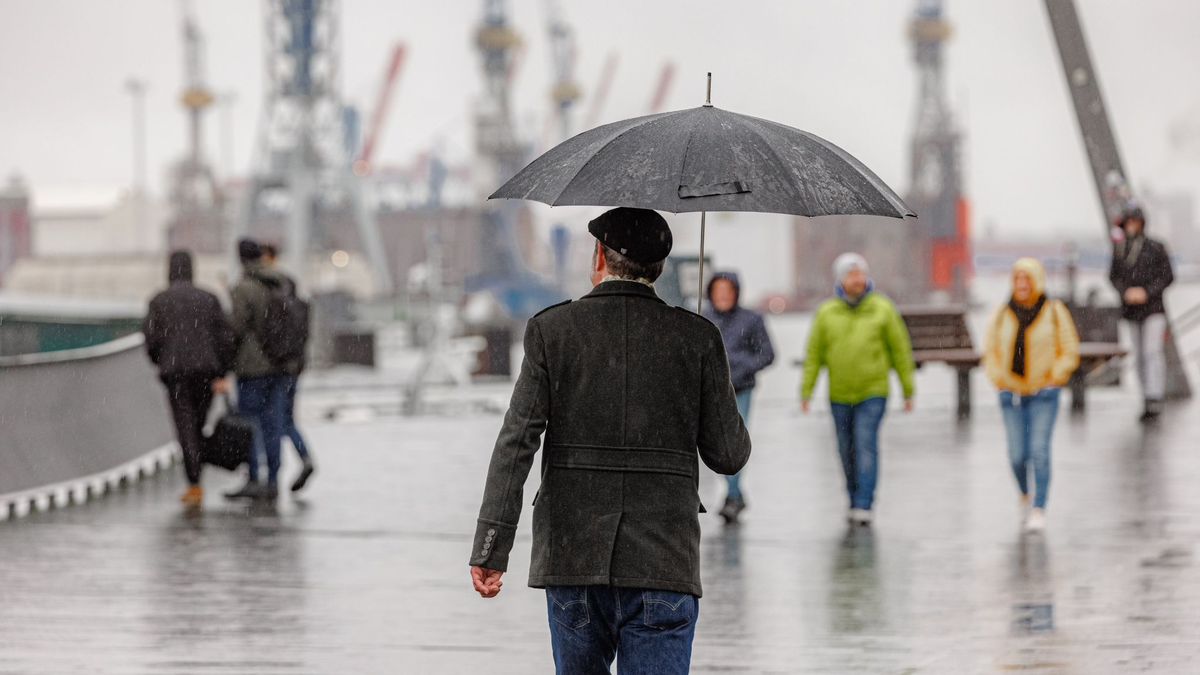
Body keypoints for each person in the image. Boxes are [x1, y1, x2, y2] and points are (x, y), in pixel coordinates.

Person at [468, 207, 751, 675]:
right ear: (659, 266)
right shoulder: (696, 337)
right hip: (663, 559)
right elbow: (729, 454)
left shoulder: (552, 331)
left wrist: (491, 548)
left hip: (573, 556)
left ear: (600, 255)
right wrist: (708, 377)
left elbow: (516, 443)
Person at [801, 253, 915, 526]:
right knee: (845, 449)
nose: (857, 280)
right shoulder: (826, 312)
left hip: (872, 392)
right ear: (840, 279)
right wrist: (806, 391)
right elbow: (814, 354)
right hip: (839, 394)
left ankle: (865, 502)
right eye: (851, 274)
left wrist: (907, 389)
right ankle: (852, 498)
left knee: (865, 444)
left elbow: (900, 350)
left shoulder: (882, 308)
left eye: (860, 274)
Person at [983, 257, 1079, 533]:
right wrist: (998, 379)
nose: (1021, 285)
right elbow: (991, 349)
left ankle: (1039, 507)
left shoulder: (1053, 310)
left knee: (1039, 450)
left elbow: (1069, 347)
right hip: (1010, 394)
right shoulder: (1003, 312)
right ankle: (1024, 494)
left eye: (1026, 279)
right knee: (1016, 454)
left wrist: (1056, 376)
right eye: (1017, 279)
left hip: (1043, 394)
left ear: (1037, 281)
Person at [142, 251, 236, 507]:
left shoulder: (159, 301)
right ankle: (198, 466)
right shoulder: (209, 298)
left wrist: (159, 360)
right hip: (206, 371)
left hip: (175, 373)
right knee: (199, 421)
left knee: (185, 425)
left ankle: (194, 483)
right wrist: (222, 371)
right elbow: (225, 337)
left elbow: (151, 338)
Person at [702, 271, 775, 524]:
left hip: (740, 389)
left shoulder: (751, 320)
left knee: (732, 442)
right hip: (710, 392)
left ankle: (732, 496)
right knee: (713, 443)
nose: (722, 296)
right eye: (718, 291)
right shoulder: (703, 318)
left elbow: (767, 354)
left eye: (727, 291)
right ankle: (736, 494)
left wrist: (742, 366)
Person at [223, 238, 292, 501]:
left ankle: (254, 477)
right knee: (273, 422)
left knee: (250, 423)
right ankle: (274, 480)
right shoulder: (280, 281)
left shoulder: (245, 287)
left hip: (252, 368)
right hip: (280, 364)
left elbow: (236, 328)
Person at [1108, 205, 1175, 421]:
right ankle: (1146, 396)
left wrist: (1146, 292)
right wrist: (1125, 292)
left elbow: (1168, 276)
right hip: (1131, 311)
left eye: (1134, 222)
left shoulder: (1155, 247)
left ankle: (1155, 396)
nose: (1131, 226)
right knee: (1139, 354)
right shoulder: (1120, 249)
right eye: (1128, 222)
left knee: (1152, 352)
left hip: (1153, 308)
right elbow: (1113, 276)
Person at [260, 243, 315, 492]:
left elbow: (272, 336)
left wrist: (272, 357)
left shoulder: (274, 300)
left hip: (279, 369)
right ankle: (304, 458)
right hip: (296, 367)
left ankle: (275, 475)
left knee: (276, 420)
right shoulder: (299, 304)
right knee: (288, 418)